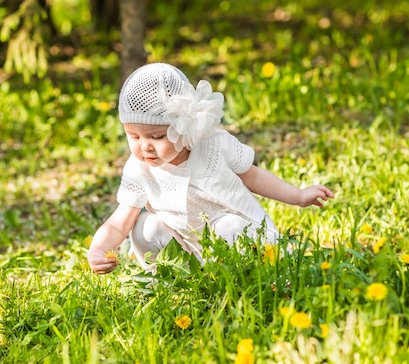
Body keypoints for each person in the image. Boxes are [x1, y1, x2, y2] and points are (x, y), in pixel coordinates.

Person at [87, 63, 334, 274]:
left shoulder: (215, 145)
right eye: (134, 137)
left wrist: (299, 196)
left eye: (157, 136)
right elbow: (119, 223)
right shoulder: (139, 169)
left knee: (228, 226)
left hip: (241, 238)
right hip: (189, 251)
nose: (145, 147)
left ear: (183, 126)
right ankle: (169, 279)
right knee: (144, 227)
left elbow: (254, 177)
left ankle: (250, 275)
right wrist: (98, 249)